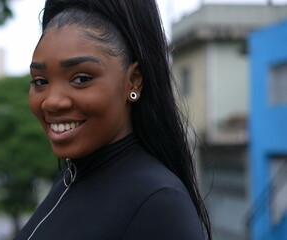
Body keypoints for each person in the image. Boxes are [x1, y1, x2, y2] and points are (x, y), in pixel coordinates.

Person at [15, 0, 211, 239]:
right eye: (40, 82)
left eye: (81, 78)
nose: (52, 102)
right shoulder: (69, 177)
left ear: (133, 80)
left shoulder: (158, 202)